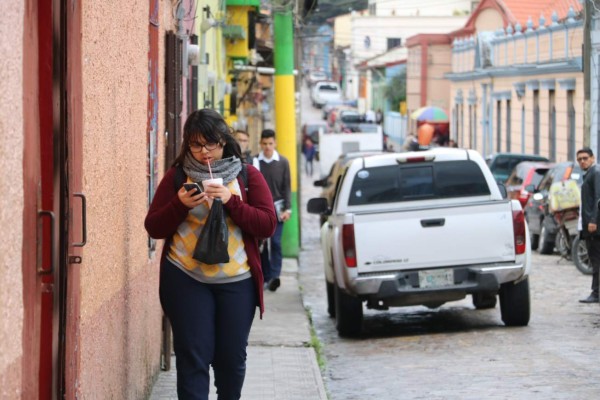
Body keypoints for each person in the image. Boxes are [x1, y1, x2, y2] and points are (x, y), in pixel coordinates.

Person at [144, 109, 277, 399]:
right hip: (186, 278)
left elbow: (268, 224)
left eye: (211, 144)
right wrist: (180, 204)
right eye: (196, 145)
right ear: (187, 145)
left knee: (231, 361)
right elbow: (153, 227)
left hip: (237, 282)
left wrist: (232, 201)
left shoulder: (246, 175)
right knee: (193, 357)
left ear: (224, 141)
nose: (204, 152)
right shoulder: (178, 175)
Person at [253, 129, 292, 292]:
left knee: (275, 242)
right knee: (262, 244)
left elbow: (287, 187)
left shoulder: (283, 162)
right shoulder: (256, 162)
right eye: (265, 144)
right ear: (260, 144)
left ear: (275, 143)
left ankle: (275, 276)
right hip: (261, 208)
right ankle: (266, 276)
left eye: (270, 143)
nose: (268, 147)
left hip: (278, 208)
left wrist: (288, 209)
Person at [577, 147, 600, 303]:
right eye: (579, 159)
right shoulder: (588, 175)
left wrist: (593, 220)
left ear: (593, 158)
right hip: (589, 224)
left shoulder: (595, 173)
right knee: (595, 259)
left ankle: (596, 293)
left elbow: (599, 198)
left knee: (596, 259)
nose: (582, 161)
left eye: (585, 158)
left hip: (594, 226)